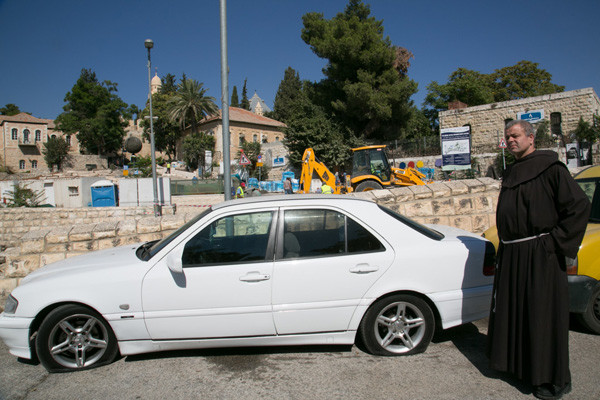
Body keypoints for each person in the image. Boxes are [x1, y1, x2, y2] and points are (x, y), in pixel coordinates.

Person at [487, 120, 590, 400]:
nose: (510, 140)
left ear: (531, 138)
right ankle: (519, 367)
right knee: (517, 312)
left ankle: (548, 378)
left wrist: (554, 243)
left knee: (542, 316)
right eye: (507, 136)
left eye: (515, 136)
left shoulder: (551, 168)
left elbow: (579, 205)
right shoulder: (511, 171)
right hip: (513, 253)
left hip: (540, 254)